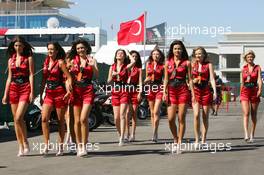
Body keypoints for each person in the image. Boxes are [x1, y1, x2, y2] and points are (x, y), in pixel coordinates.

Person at [2, 36, 34, 157]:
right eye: (16, 45)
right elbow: (9, 78)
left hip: (25, 87)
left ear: (23, 46)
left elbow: (31, 75)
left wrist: (32, 91)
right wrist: (5, 94)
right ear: (13, 46)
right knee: (16, 120)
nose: (18, 47)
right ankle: (20, 145)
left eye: (20, 45)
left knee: (18, 117)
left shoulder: (29, 58)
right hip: (13, 89)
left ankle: (25, 141)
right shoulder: (11, 60)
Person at [40, 42, 73, 156]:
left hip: (59, 93)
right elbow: (43, 80)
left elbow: (68, 77)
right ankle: (47, 144)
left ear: (57, 51)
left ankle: (60, 146)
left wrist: (69, 91)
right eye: (48, 49)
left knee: (60, 121)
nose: (50, 51)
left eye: (52, 49)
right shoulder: (45, 62)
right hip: (48, 93)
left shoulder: (60, 62)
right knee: (44, 118)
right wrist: (40, 94)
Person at [163, 40, 195, 154]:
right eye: (175, 48)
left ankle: (180, 142)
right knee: (171, 119)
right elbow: (166, 79)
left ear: (182, 50)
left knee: (181, 117)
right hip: (171, 90)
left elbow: (190, 79)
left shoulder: (187, 63)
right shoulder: (167, 63)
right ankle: (175, 138)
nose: (177, 50)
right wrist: (163, 92)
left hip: (183, 90)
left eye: (179, 48)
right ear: (172, 50)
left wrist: (193, 95)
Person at [68, 39, 99, 156]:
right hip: (76, 91)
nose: (80, 50)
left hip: (88, 90)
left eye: (82, 48)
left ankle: (85, 145)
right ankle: (79, 145)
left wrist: (93, 66)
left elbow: (96, 75)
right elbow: (69, 77)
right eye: (78, 48)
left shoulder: (92, 60)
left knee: (83, 119)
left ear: (86, 48)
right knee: (76, 120)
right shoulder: (72, 61)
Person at [107, 49, 135, 146]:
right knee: (116, 118)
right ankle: (120, 134)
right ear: (115, 56)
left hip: (124, 90)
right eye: (118, 53)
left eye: (122, 53)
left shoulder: (126, 67)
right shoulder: (112, 67)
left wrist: (128, 53)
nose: (120, 54)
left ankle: (122, 137)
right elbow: (108, 81)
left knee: (122, 115)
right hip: (115, 91)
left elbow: (134, 61)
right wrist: (113, 75)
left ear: (124, 56)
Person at [191, 47, 216, 148]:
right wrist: (193, 81)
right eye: (197, 54)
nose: (198, 55)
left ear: (204, 55)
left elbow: (212, 79)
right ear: (194, 55)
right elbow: (188, 80)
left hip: (206, 91)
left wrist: (215, 92)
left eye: (200, 54)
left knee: (205, 116)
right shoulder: (192, 65)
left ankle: (204, 139)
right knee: (196, 115)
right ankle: (197, 139)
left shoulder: (209, 65)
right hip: (196, 91)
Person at [240, 50, 262, 143]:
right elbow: (242, 82)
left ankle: (252, 134)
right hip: (245, 91)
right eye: (248, 57)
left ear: (254, 57)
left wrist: (260, 89)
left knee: (253, 114)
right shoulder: (243, 68)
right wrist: (240, 93)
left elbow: (259, 79)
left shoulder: (257, 67)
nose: (250, 58)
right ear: (246, 58)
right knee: (246, 113)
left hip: (254, 90)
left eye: (252, 56)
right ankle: (246, 134)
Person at [144, 48, 165, 142]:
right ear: (151, 56)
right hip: (150, 88)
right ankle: (154, 132)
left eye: (157, 54)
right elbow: (146, 77)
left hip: (159, 88)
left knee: (156, 111)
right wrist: (143, 84)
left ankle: (155, 132)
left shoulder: (163, 66)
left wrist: (165, 91)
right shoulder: (148, 65)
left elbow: (165, 79)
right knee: (152, 112)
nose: (156, 55)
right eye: (154, 54)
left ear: (160, 56)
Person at [125, 50, 143, 142]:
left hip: (134, 91)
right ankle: (127, 133)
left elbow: (140, 82)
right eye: (133, 56)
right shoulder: (126, 67)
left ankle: (133, 134)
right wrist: (128, 53)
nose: (134, 58)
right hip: (126, 91)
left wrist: (140, 93)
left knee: (134, 113)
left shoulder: (139, 69)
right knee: (127, 113)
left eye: (136, 56)